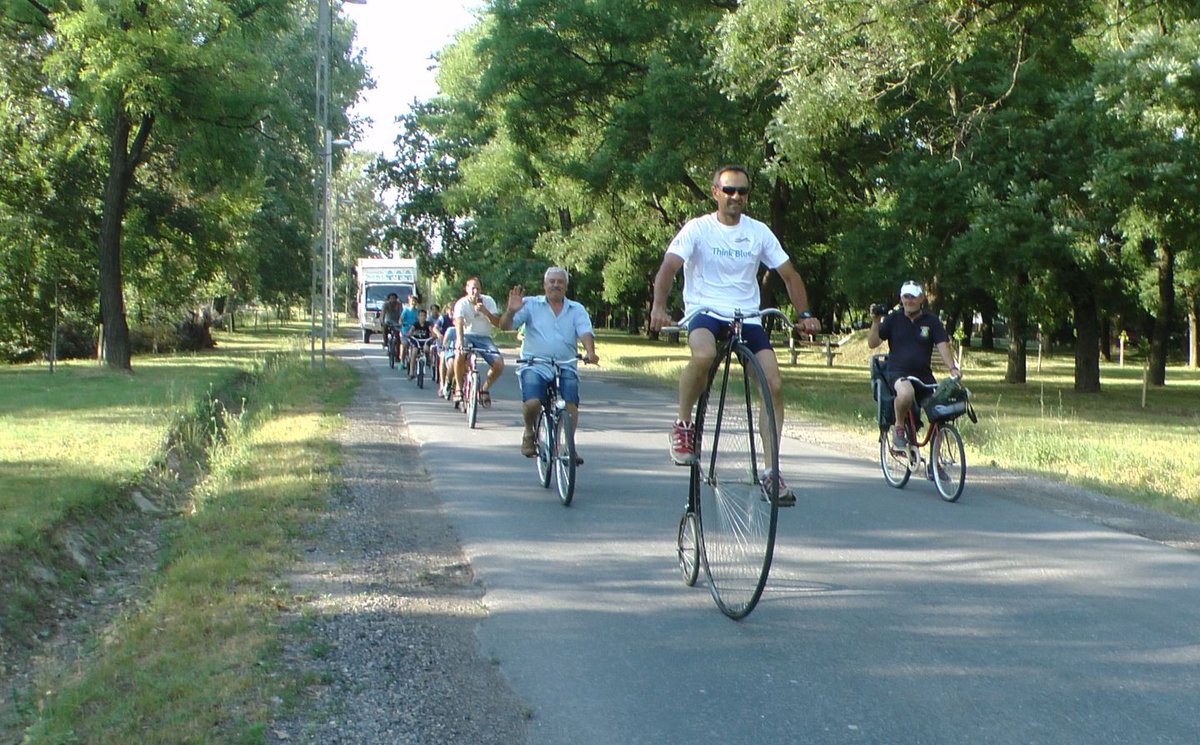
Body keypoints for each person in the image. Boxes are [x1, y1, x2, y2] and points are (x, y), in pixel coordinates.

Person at [649, 164, 821, 505]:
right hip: (706, 312)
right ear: (715, 192)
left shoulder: (759, 232)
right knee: (703, 355)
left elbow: (789, 275)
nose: (736, 197)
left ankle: (771, 471)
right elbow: (669, 267)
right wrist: (658, 305)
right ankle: (684, 426)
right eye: (729, 190)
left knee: (773, 384)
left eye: (742, 191)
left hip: (748, 316)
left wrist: (805, 315)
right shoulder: (698, 229)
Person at [500, 267, 600, 459]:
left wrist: (590, 352)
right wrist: (511, 311)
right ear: (544, 285)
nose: (556, 285)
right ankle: (529, 432)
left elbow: (585, 331)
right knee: (532, 403)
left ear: (566, 286)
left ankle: (568, 447)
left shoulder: (576, 309)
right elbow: (505, 326)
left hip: (565, 364)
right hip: (534, 364)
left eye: (560, 282)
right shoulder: (530, 304)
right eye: (552, 281)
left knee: (571, 404)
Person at [867, 280, 960, 450]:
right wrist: (875, 322)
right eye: (906, 297)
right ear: (901, 298)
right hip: (898, 372)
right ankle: (899, 428)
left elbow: (942, 346)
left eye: (913, 297)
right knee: (906, 393)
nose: (909, 301)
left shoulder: (931, 321)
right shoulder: (893, 319)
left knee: (940, 410)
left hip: (923, 375)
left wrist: (952, 368)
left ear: (921, 298)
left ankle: (935, 463)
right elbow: (873, 343)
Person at [453, 277, 505, 406]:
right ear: (467, 289)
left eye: (478, 288)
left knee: (499, 363)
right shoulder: (461, 303)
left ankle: (484, 389)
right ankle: (459, 388)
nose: (475, 291)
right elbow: (458, 322)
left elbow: (498, 323)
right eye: (473, 288)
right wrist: (459, 341)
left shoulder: (488, 301)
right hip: (467, 335)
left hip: (484, 337)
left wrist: (485, 312)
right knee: (459, 354)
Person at [398, 294, 421, 369]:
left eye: (415, 301)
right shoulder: (406, 310)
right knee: (404, 345)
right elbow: (401, 319)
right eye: (412, 301)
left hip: (414, 331)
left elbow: (419, 320)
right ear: (409, 301)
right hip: (405, 330)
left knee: (415, 345)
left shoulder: (417, 312)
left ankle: (413, 360)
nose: (413, 302)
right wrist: (401, 323)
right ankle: (402, 361)